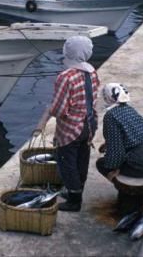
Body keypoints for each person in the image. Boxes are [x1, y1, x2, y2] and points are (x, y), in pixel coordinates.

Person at [48, 36, 99, 212]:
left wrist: (51, 111)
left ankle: (74, 200)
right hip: (89, 125)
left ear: (67, 51)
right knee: (81, 159)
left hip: (70, 129)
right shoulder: (92, 72)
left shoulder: (66, 77)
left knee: (67, 162)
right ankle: (76, 190)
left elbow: (58, 110)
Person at [96, 84, 143, 181]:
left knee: (101, 164)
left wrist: (114, 168)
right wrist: (107, 144)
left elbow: (116, 151)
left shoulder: (110, 115)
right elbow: (131, 134)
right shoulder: (130, 109)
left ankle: (123, 186)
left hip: (140, 161)